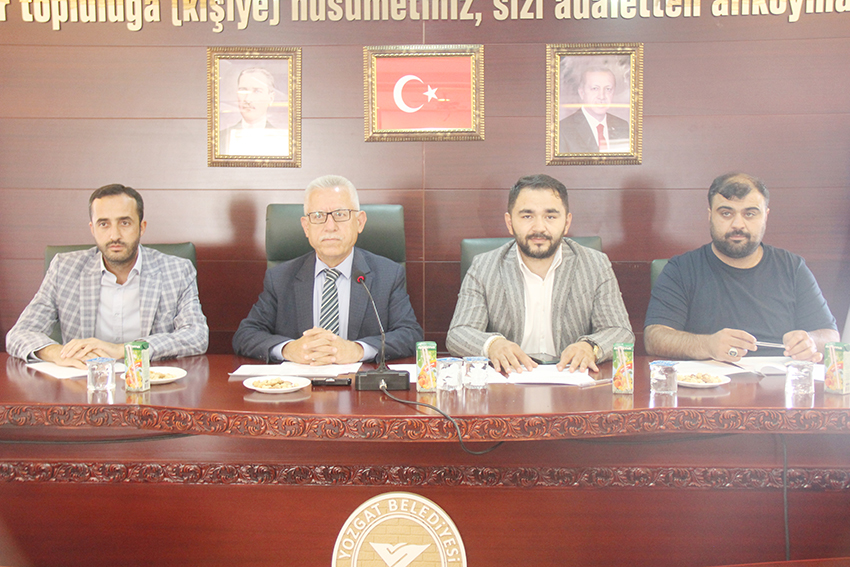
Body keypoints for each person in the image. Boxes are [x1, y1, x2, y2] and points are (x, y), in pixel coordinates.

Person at [6, 184, 209, 369]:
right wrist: (58, 353)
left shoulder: (177, 271)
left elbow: (197, 335)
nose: (114, 235)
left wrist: (123, 350)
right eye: (104, 224)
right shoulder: (64, 269)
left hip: (151, 386)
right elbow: (19, 334)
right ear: (92, 229)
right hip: (83, 385)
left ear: (142, 227)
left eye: (125, 223)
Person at [446, 174, 633, 374]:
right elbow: (458, 334)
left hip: (570, 380)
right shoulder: (484, 267)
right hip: (508, 381)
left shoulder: (595, 265)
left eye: (550, 217)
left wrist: (590, 347)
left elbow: (621, 332)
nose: (539, 228)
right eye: (527, 216)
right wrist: (492, 345)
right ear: (509, 222)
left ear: (567, 222)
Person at [644, 172, 839, 363]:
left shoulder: (792, 267)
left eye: (750, 214)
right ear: (710, 215)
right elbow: (654, 338)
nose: (738, 224)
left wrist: (810, 342)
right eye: (726, 213)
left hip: (778, 378)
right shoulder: (681, 269)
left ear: (765, 216)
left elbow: (830, 336)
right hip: (710, 380)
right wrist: (707, 345)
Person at [232, 175, 422, 364]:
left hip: (360, 381)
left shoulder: (388, 274)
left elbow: (410, 334)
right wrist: (289, 349)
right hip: (300, 381)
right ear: (306, 227)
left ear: (359, 222)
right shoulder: (280, 278)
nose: (330, 227)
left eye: (340, 214)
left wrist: (357, 350)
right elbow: (245, 335)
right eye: (318, 216)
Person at [220, 67, 289, 157]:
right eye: (243, 90)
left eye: (257, 91)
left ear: (271, 98)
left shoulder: (283, 140)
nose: (248, 99)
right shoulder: (220, 138)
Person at [559, 67, 630, 154]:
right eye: (595, 88)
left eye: (608, 89)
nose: (602, 96)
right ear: (582, 93)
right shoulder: (563, 129)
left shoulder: (622, 126)